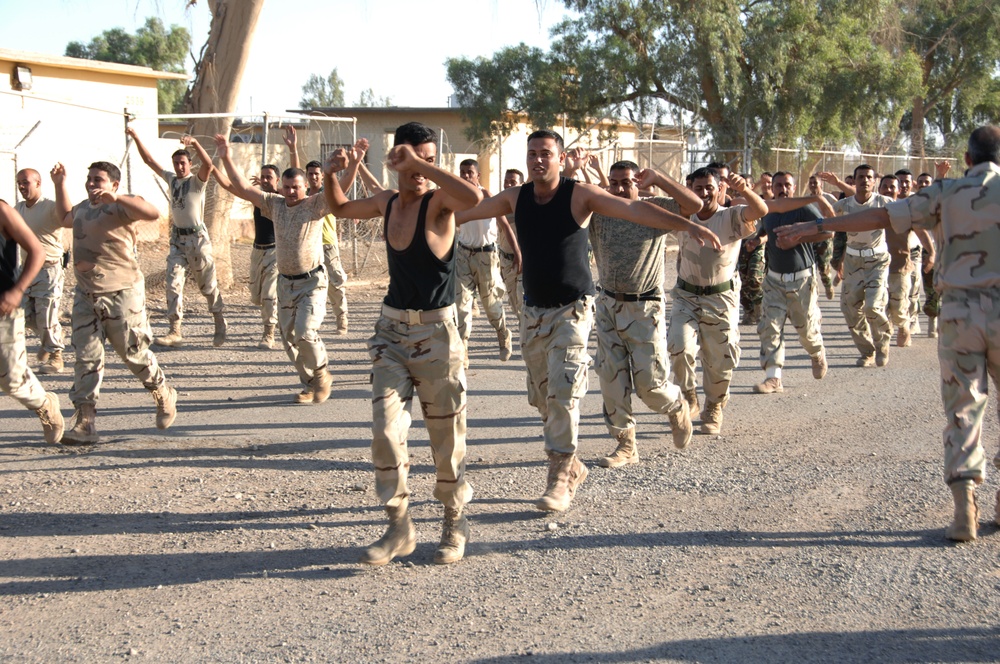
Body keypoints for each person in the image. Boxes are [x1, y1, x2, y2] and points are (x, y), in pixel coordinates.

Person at [462, 130, 721, 512]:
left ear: (560, 157)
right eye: (531, 153)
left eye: (545, 153)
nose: (537, 160)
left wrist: (690, 226)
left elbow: (635, 210)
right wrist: (430, 213)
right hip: (533, 311)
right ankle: (575, 466)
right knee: (541, 398)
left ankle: (562, 474)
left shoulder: (579, 194)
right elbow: (467, 210)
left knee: (565, 391)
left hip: (574, 309)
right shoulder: (516, 197)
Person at [776, 125, 1000, 542]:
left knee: (963, 405)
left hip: (959, 314)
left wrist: (816, 225)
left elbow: (884, 216)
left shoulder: (947, 192)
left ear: (967, 160)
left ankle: (964, 507)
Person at [323, 122, 482, 565]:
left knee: (445, 437)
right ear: (394, 159)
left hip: (436, 334)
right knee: (386, 432)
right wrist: (334, 172)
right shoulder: (387, 202)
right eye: (411, 158)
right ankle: (399, 525)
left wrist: (424, 166)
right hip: (390, 333)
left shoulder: (441, 203)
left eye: (429, 160)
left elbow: (475, 199)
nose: (420, 168)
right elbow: (340, 208)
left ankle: (454, 519)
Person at [580, 160, 702, 466]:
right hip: (608, 305)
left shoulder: (654, 210)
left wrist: (660, 178)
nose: (620, 188)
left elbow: (694, 204)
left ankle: (676, 407)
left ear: (639, 184)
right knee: (610, 378)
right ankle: (626, 445)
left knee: (650, 386)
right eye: (614, 182)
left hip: (644, 308)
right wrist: (573, 170)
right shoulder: (600, 210)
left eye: (627, 182)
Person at [61, 161, 177, 445]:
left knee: (133, 353)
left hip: (121, 292)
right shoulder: (82, 207)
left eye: (98, 179)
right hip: (86, 294)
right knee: (86, 357)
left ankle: (162, 392)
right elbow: (64, 217)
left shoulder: (122, 205)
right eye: (89, 179)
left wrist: (117, 198)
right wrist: (58, 182)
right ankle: (86, 422)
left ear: (113, 183)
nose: (91, 184)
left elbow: (153, 213)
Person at [215, 134, 333, 405]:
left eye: (297, 187)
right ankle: (310, 384)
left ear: (305, 187)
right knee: (289, 338)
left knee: (305, 331)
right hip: (285, 283)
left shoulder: (314, 205)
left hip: (312, 282)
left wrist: (348, 167)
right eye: (288, 187)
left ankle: (322, 373)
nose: (292, 191)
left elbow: (338, 192)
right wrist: (226, 156)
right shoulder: (273, 204)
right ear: (281, 187)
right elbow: (242, 186)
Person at [669, 167, 768, 434]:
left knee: (720, 358)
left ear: (719, 189)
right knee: (678, 345)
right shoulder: (683, 216)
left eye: (708, 188)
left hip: (720, 297)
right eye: (697, 188)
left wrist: (745, 189)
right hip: (686, 295)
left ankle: (714, 404)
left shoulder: (731, 217)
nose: (703, 193)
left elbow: (760, 211)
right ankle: (689, 395)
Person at [126, 128, 226, 348]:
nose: (179, 167)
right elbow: (149, 160)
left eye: (183, 163)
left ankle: (218, 320)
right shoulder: (172, 179)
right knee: (172, 283)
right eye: (176, 163)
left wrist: (195, 144)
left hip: (197, 240)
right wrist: (136, 136)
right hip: (177, 240)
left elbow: (209, 166)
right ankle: (175, 329)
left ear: (190, 164)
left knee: (207, 285)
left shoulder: (197, 182)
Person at [752, 172, 833, 394]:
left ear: (794, 188)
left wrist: (798, 237)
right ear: (772, 188)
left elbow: (828, 231)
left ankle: (817, 353)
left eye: (787, 185)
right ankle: (773, 377)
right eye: (778, 185)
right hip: (774, 281)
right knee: (770, 328)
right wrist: (755, 242)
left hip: (802, 280)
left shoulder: (803, 209)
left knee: (807, 331)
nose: (782, 189)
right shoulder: (766, 211)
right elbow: (764, 233)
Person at [0, 198, 64, 444]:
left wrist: (17, 291)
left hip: (4, 306)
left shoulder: (3, 211)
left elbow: (38, 251)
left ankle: (44, 404)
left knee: (12, 380)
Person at [455, 158, 520, 366]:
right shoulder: (455, 198)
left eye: (469, 172)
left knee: (491, 305)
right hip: (463, 255)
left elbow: (504, 226)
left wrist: (518, 253)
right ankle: (463, 350)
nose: (465, 176)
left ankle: (502, 332)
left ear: (477, 176)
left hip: (487, 256)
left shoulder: (487, 196)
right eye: (462, 172)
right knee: (462, 306)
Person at [829, 164, 894, 367]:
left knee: (873, 307)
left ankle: (882, 343)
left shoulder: (885, 203)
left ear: (874, 181)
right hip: (852, 261)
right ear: (854, 181)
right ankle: (867, 351)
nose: (864, 180)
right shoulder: (844, 205)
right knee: (849, 309)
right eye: (860, 177)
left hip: (878, 260)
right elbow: (826, 220)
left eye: (868, 177)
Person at [14, 166, 71, 374]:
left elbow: (67, 215)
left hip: (49, 270)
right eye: (19, 182)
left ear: (38, 183)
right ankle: (53, 335)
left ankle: (56, 356)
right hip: (26, 271)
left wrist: (60, 184)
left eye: (26, 182)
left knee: (46, 316)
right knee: (23, 316)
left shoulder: (50, 207)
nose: (21, 186)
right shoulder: (18, 209)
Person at [877, 174, 934, 348]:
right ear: (878, 189)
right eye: (884, 186)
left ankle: (904, 326)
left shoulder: (904, 211)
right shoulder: (873, 210)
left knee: (899, 307)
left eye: (892, 187)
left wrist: (931, 252)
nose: (888, 190)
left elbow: (922, 233)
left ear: (898, 190)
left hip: (899, 266)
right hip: (876, 266)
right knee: (877, 306)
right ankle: (883, 339)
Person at [497, 169, 524, 318]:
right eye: (506, 181)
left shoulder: (527, 206)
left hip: (524, 262)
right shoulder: (499, 205)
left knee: (524, 303)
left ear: (522, 184)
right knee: (515, 307)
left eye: (512, 182)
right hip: (507, 262)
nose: (508, 185)